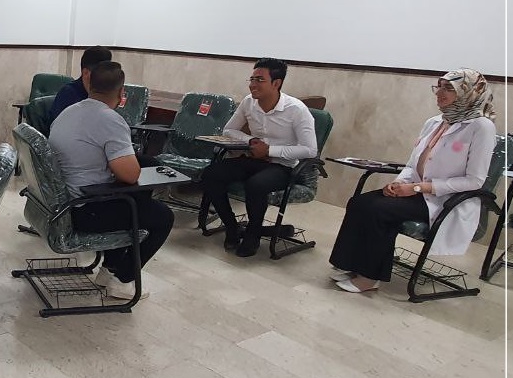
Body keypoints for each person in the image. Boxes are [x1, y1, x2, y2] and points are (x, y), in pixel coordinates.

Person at [329, 68, 497, 293]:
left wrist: (418, 187)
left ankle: (369, 277)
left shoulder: (481, 127)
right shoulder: (435, 122)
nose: (440, 93)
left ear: (469, 92)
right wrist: (399, 184)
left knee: (379, 210)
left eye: (449, 88)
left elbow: (474, 181)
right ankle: (351, 265)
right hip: (416, 191)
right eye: (439, 87)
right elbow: (412, 165)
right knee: (359, 202)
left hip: (446, 201)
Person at [48, 61, 175, 291]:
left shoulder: (69, 112)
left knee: (139, 191)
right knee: (162, 217)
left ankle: (110, 268)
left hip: (64, 203)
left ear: (89, 84)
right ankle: (122, 280)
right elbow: (131, 174)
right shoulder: (111, 120)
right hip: (85, 210)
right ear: (121, 93)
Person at [201, 58, 317, 257]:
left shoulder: (296, 110)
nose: (253, 84)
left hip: (283, 166)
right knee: (211, 174)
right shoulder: (249, 102)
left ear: (276, 83)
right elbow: (229, 130)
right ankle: (231, 226)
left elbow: (310, 150)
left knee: (256, 185)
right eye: (252, 79)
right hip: (254, 160)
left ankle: (252, 235)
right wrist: (251, 140)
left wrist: (270, 151)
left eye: (259, 80)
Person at [48, 46, 112, 124]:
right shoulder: (68, 94)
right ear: (86, 73)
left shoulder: (106, 94)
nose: (105, 79)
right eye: (101, 74)